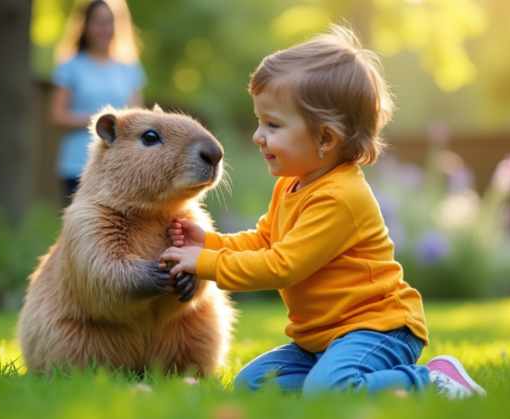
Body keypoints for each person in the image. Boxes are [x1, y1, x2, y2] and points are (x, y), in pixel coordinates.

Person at [158, 24, 486, 399]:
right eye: (259, 121)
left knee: (330, 389)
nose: (257, 135)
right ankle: (340, 376)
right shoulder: (293, 183)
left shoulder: (339, 197)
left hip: (378, 328)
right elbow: (265, 240)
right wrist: (211, 242)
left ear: (325, 139)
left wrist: (205, 263)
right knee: (254, 385)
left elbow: (282, 265)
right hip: (323, 338)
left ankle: (429, 380)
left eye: (273, 124)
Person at [50, 0, 146, 202]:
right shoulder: (70, 67)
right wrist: (102, 122)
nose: (104, 28)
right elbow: (57, 117)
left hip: (119, 166)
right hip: (77, 164)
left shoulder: (130, 70)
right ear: (85, 26)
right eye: (97, 22)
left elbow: (138, 119)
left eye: (108, 22)